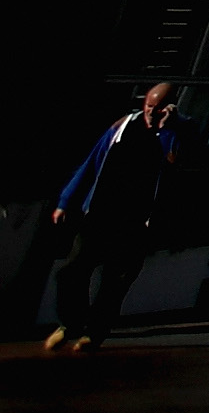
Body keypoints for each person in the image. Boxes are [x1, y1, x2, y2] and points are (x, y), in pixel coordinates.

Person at [36, 83, 180, 351]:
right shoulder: (122, 127)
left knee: (115, 282)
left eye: (158, 107)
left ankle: (94, 333)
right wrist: (66, 201)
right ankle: (71, 324)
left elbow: (179, 160)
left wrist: (167, 127)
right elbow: (92, 163)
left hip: (137, 222)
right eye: (149, 106)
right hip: (101, 214)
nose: (151, 112)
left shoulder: (175, 133)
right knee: (72, 271)